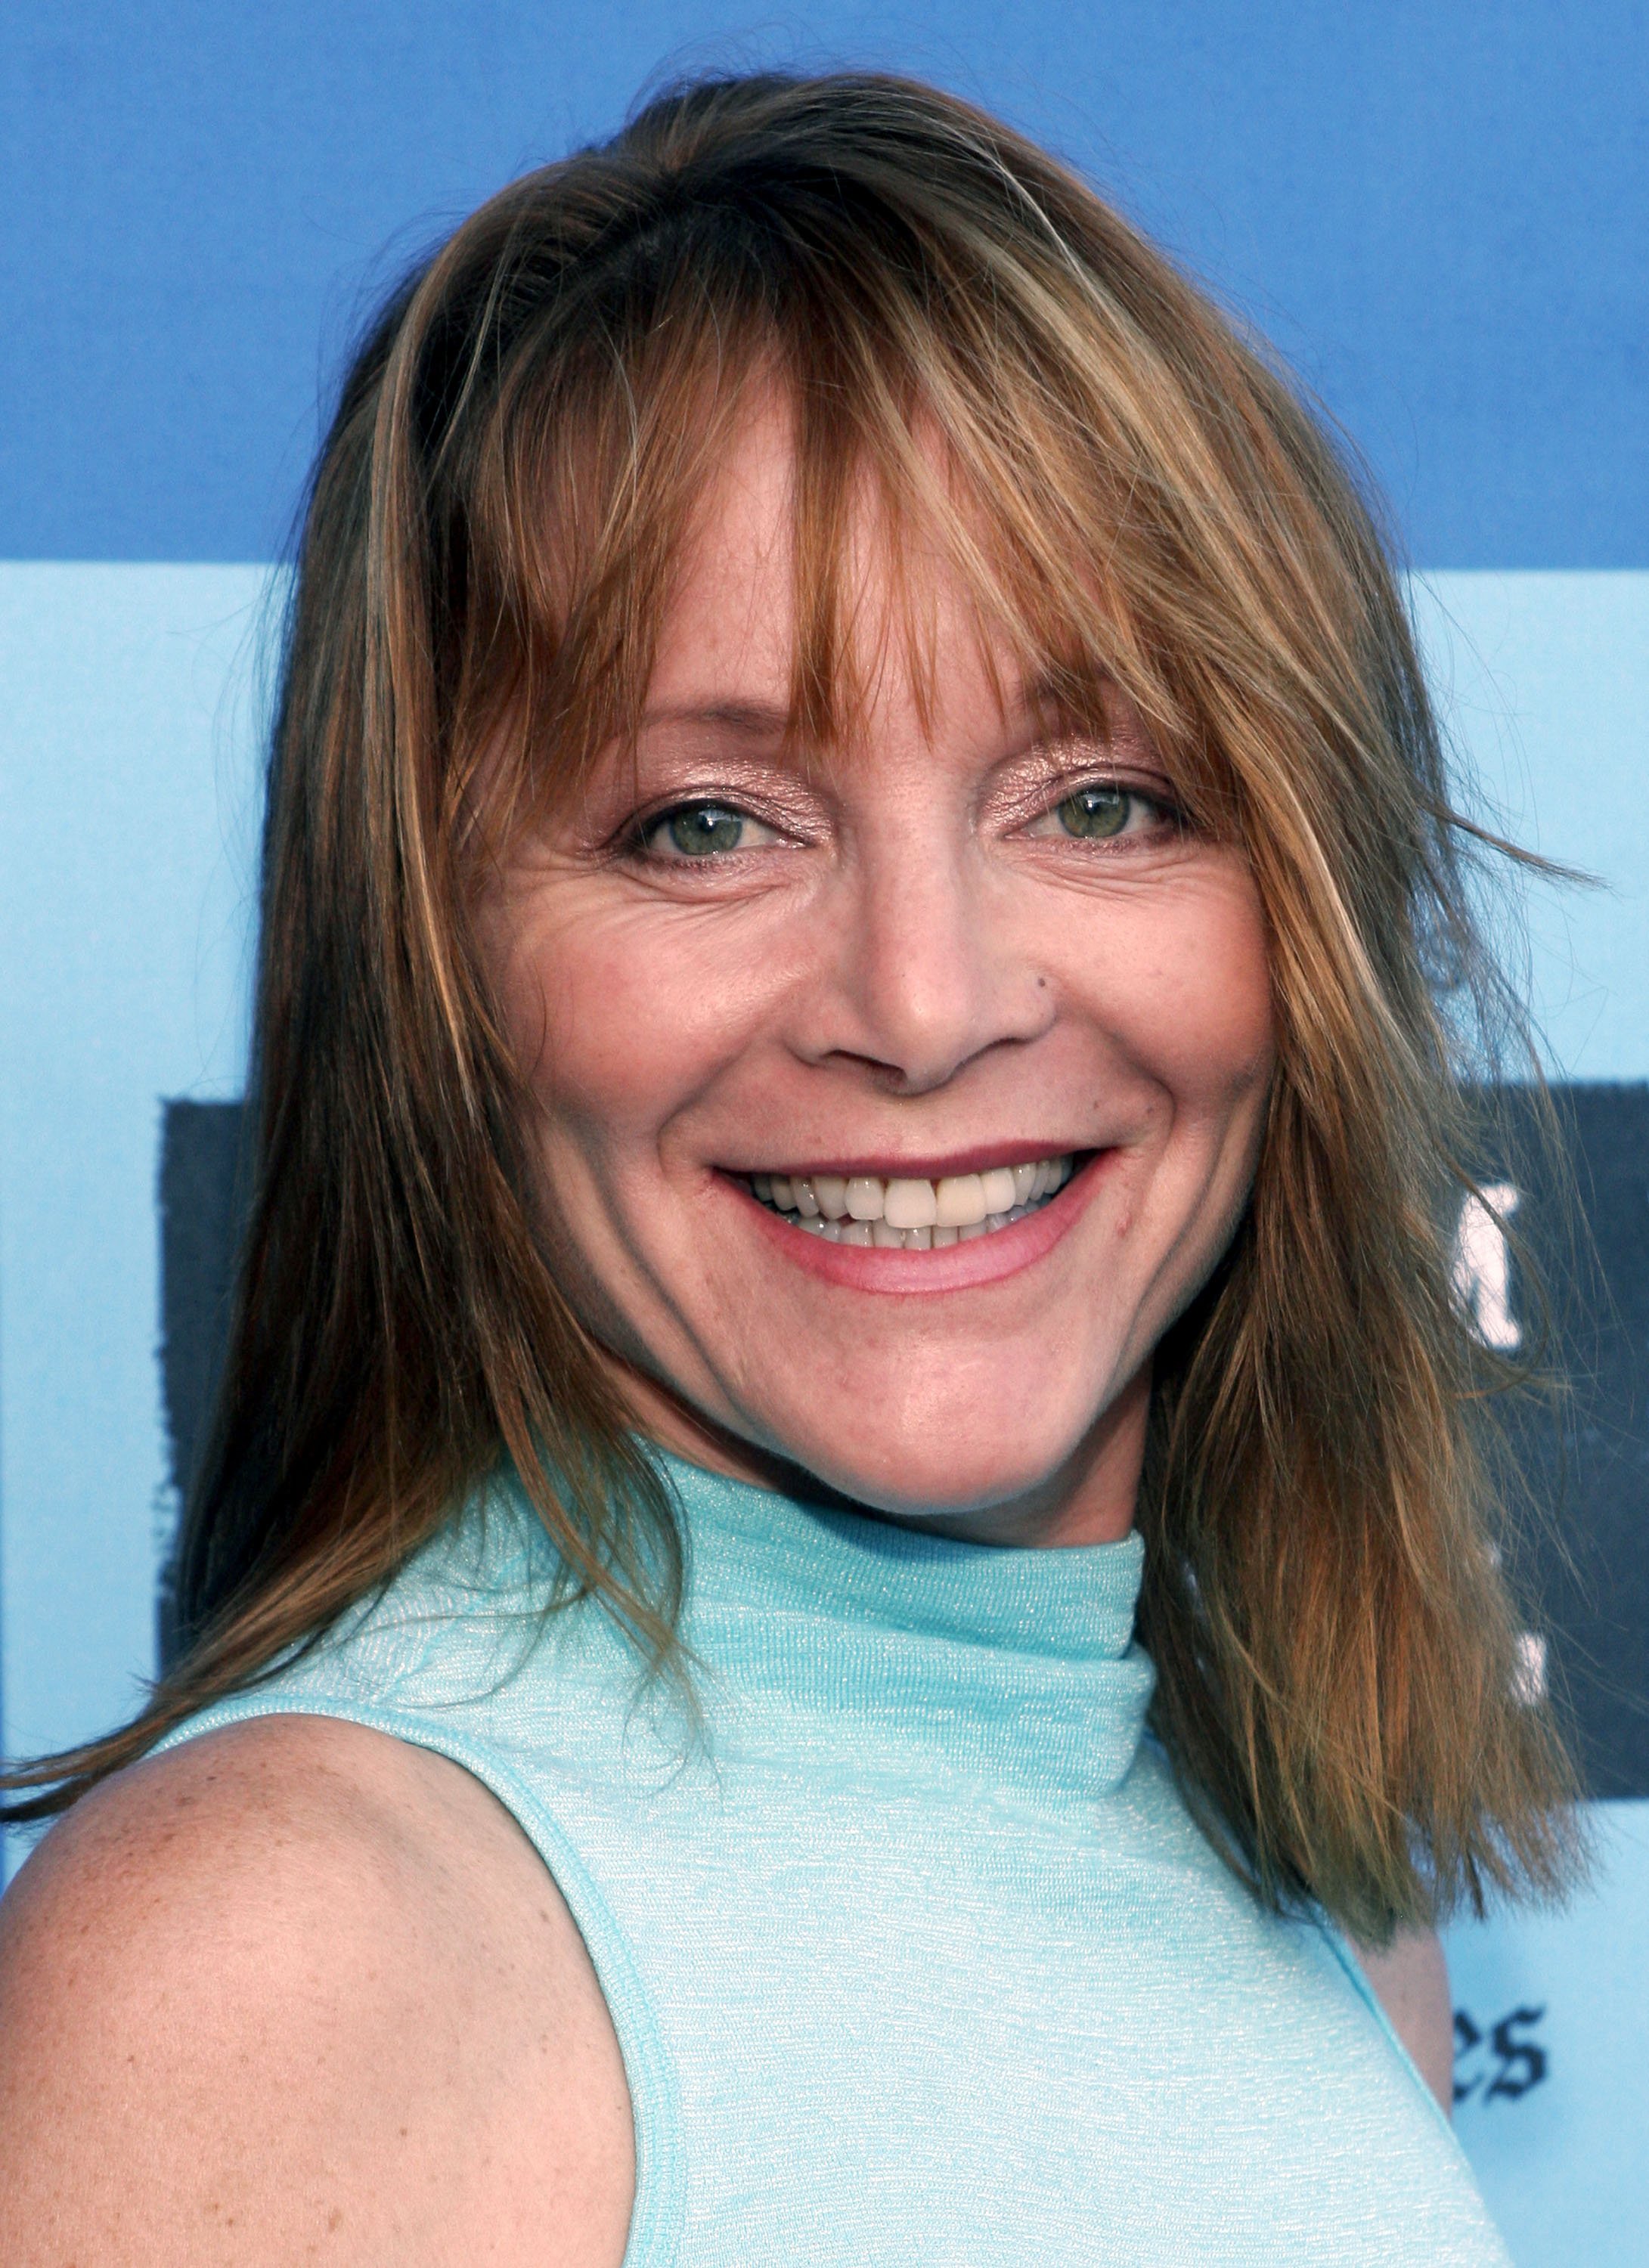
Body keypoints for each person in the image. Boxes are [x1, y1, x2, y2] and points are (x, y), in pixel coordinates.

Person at [0, 70, 1573, 2264]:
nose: (926, 1007)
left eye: (1102, 798)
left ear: (1305, 899)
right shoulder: (289, 1959)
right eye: (708, 823)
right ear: (442, 971)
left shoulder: (1311, 1901)